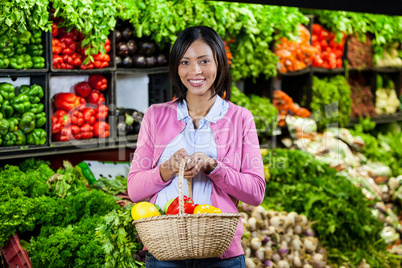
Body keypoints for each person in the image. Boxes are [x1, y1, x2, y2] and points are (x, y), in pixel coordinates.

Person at [128, 25, 266, 267]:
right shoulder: (155, 115)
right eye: (185, 62)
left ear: (219, 64)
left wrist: (214, 167)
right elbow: (135, 190)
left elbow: (255, 193)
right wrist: (166, 169)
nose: (195, 71)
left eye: (204, 61)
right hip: (164, 251)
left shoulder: (241, 119)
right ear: (176, 67)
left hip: (221, 254)